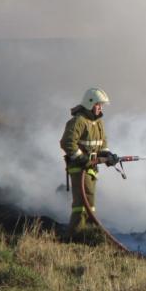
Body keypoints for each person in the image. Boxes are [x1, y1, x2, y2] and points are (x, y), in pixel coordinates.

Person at [60, 88, 119, 239]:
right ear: (90, 103)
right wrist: (82, 159)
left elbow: (102, 144)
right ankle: (75, 236)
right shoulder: (79, 121)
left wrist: (108, 156)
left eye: (102, 105)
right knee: (82, 204)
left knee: (89, 202)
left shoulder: (98, 122)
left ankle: (87, 233)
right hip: (79, 168)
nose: (101, 108)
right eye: (98, 104)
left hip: (91, 167)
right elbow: (67, 142)